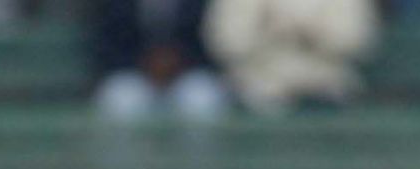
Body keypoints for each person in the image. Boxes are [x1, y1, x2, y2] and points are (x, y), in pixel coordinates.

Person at [203, 0, 378, 114]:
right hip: (255, 88)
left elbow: (356, 41)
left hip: (326, 88)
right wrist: (270, 30)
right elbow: (226, 43)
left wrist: (310, 33)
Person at [90, 0, 229, 122]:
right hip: (133, 72)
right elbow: (107, 41)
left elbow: (214, 41)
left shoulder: (201, 2)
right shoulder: (117, 3)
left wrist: (178, 62)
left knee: (202, 99)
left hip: (189, 72)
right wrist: (144, 64)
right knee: (121, 100)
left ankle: (196, 153)